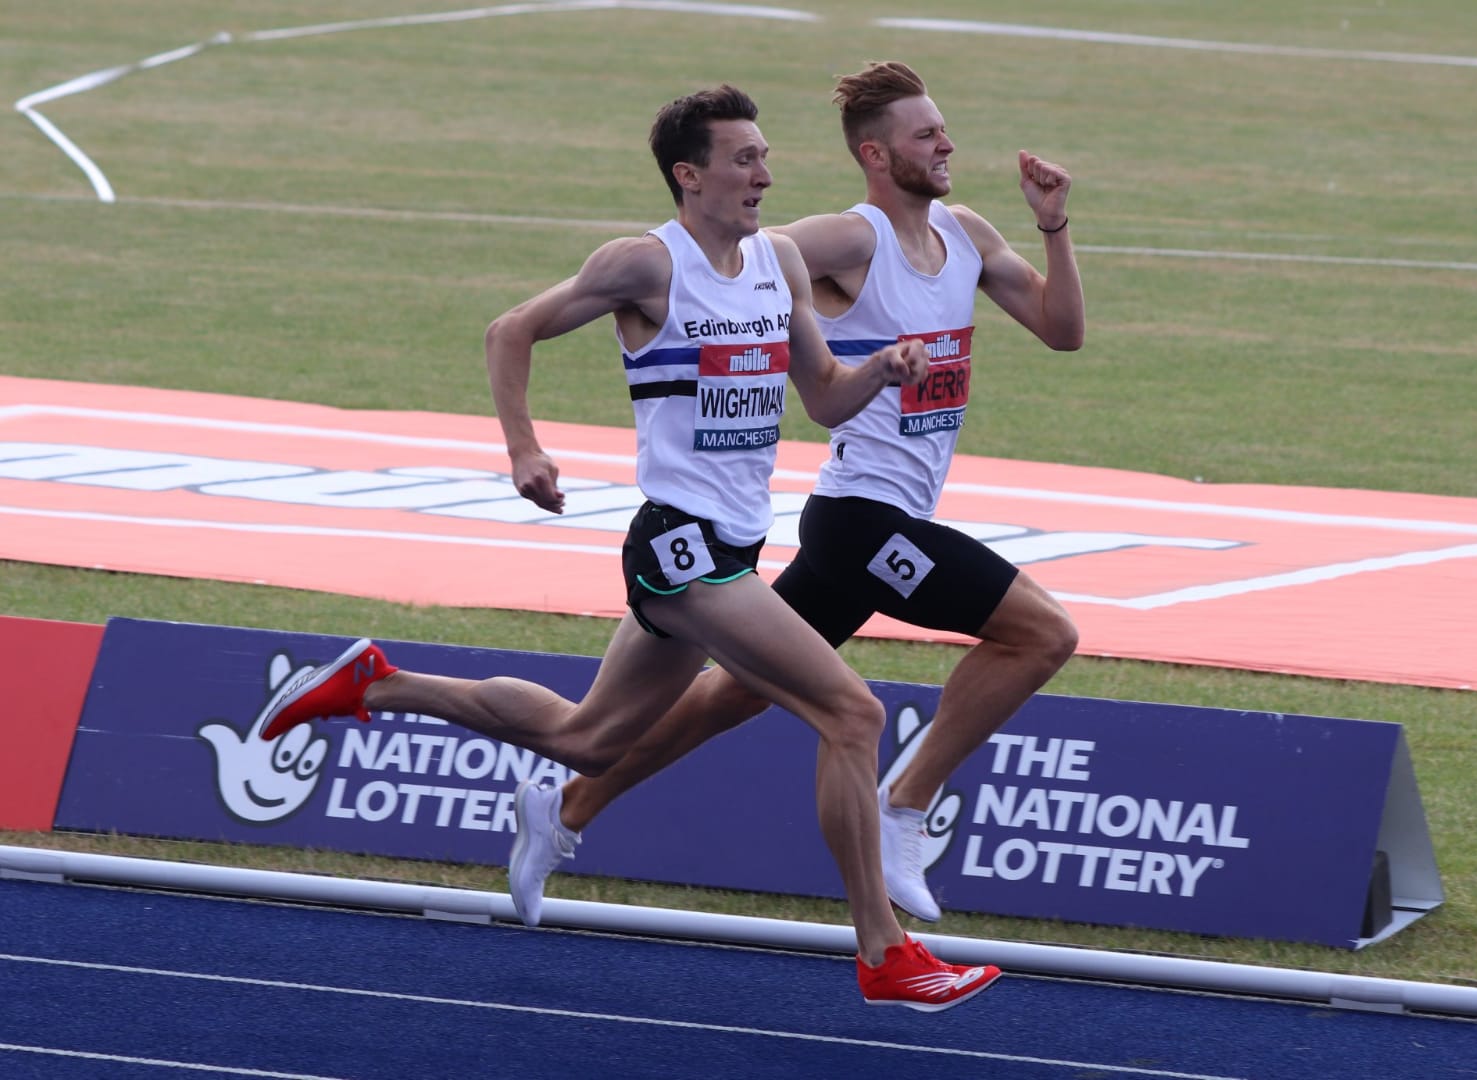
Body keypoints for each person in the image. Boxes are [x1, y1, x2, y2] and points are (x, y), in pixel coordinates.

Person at [259, 83, 1001, 1012]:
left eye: (766, 156)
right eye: (744, 159)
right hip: (679, 548)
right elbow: (510, 329)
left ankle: (374, 682)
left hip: (733, 543)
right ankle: (883, 953)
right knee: (852, 716)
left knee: (588, 739)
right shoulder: (647, 266)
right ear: (690, 176)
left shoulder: (775, 263)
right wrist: (524, 447)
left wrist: (882, 372)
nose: (765, 174)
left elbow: (824, 398)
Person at [515, 61, 1084, 929]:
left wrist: (1054, 228)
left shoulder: (966, 234)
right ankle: (905, 804)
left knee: (731, 694)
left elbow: (1062, 331)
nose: (947, 143)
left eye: (943, 129)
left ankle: (568, 807)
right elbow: (743, 260)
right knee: (1042, 632)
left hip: (881, 518)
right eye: (926, 134)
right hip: (862, 517)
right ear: (876, 154)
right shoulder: (851, 241)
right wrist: (717, 298)